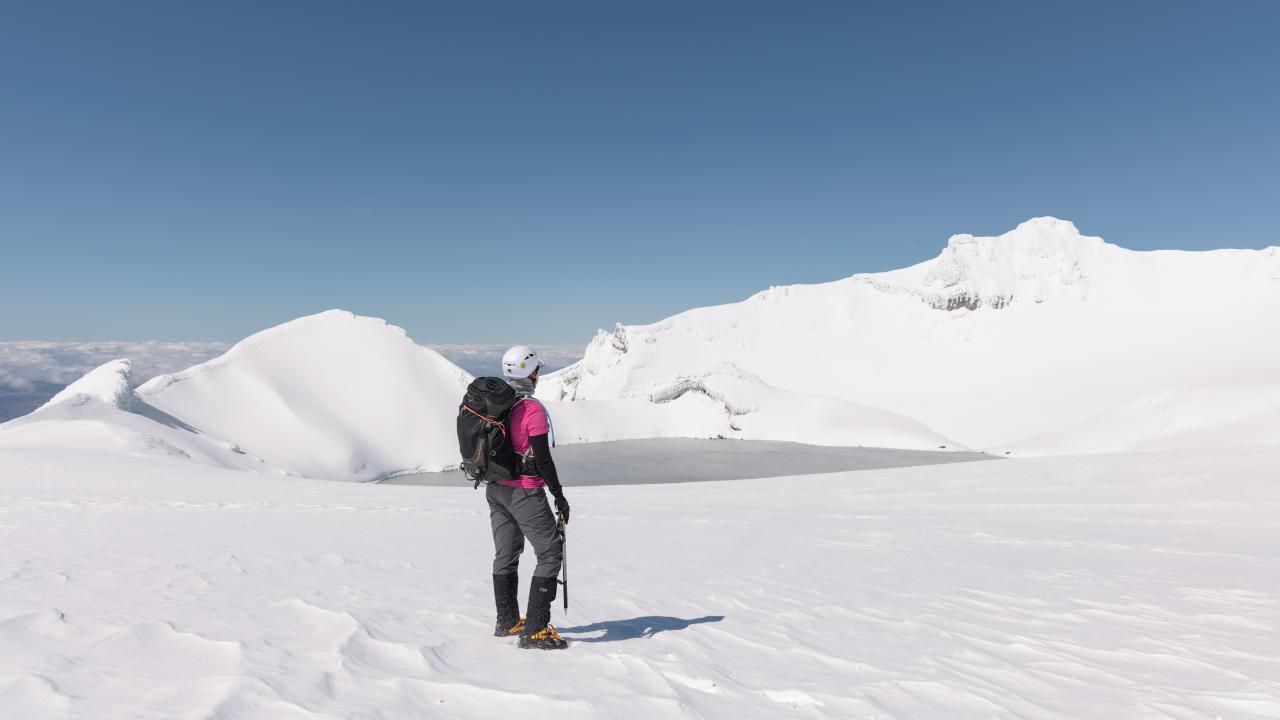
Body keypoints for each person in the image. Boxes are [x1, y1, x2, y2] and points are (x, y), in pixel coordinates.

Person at [489, 345, 571, 650]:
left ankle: (508, 621)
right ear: (529, 372)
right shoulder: (531, 409)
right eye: (536, 370)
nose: (538, 375)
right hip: (525, 490)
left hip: (495, 489)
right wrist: (559, 496)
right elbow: (543, 458)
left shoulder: (497, 405)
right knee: (550, 553)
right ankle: (535, 629)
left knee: (505, 554)